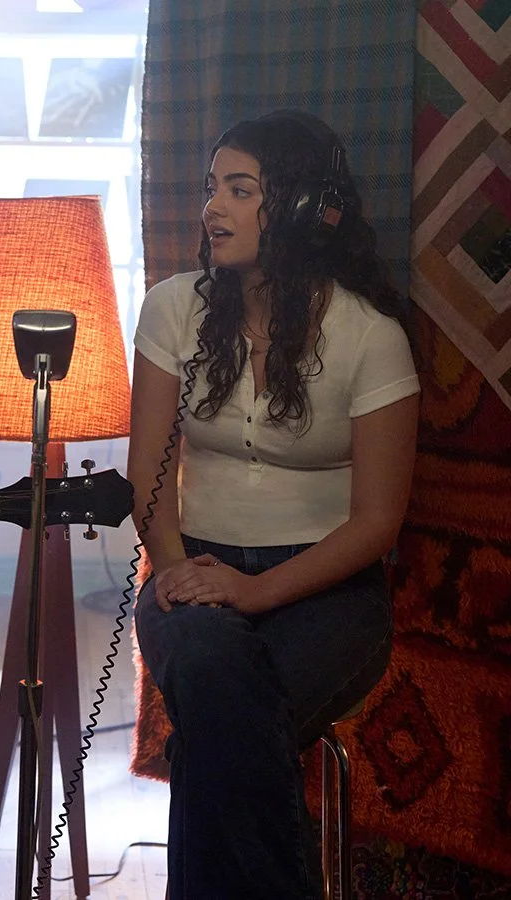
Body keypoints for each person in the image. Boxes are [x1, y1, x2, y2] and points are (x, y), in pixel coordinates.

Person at [127, 110, 419, 899]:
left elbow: (377, 523)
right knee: (217, 678)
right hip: (192, 567)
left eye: (239, 189)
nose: (211, 208)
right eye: (210, 188)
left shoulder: (370, 338)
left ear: (293, 208)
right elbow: (146, 473)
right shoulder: (173, 310)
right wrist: (182, 573)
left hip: (328, 591)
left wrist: (254, 591)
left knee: (216, 728)